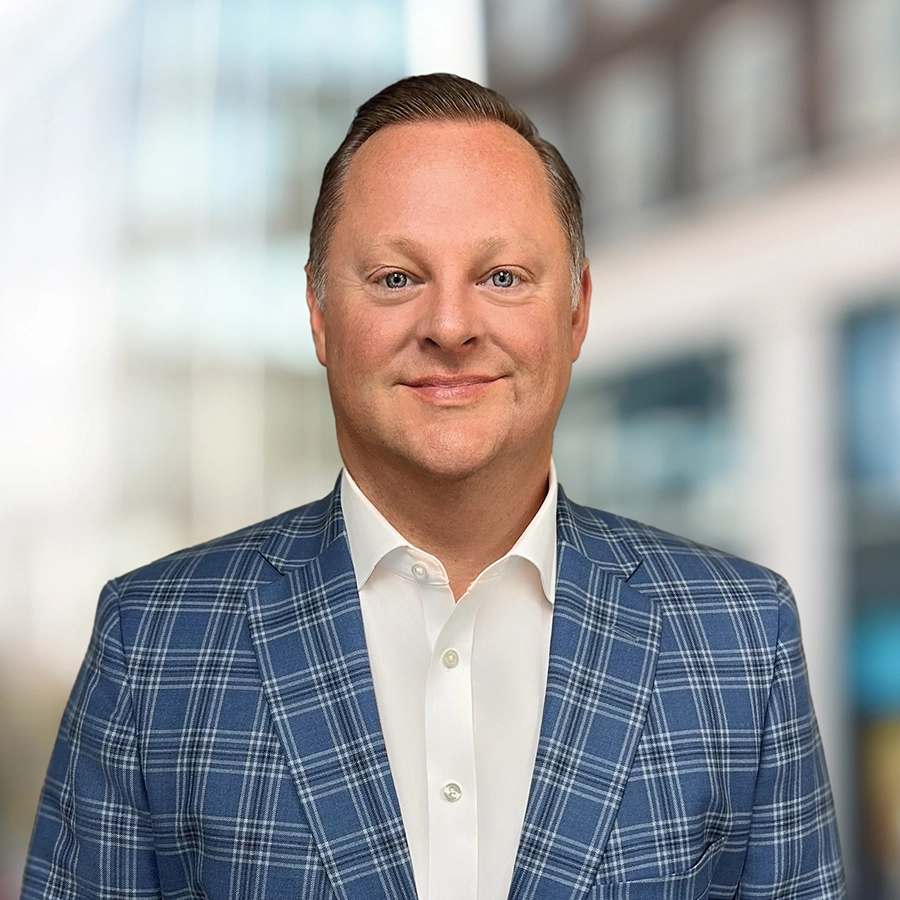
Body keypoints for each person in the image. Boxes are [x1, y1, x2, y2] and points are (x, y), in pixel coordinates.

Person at [23, 73, 845, 899]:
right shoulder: (155, 646)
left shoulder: (741, 639)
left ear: (577, 311)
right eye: (395, 278)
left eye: (502, 277)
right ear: (316, 309)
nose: (450, 326)